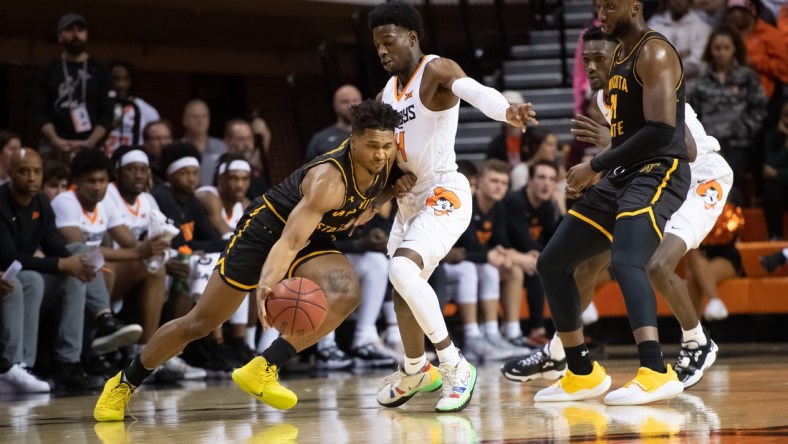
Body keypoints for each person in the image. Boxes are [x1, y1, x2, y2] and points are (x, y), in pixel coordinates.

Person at [93, 99, 407, 421]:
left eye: (385, 145)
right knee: (201, 322)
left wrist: (385, 195)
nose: (380, 154)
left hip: (314, 237)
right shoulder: (328, 180)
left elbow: (392, 180)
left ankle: (262, 368)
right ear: (353, 140)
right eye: (371, 146)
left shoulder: (388, 156)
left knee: (346, 292)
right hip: (266, 232)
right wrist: (268, 282)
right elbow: (289, 241)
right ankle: (124, 382)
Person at [502, 24, 732, 391]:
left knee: (655, 265)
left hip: (698, 175)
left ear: (621, 57)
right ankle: (562, 350)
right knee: (585, 267)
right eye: (586, 60)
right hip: (645, 174)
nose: (590, 67)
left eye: (599, 59)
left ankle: (697, 341)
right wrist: (609, 158)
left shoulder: (652, 82)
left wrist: (607, 153)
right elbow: (633, 147)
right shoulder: (602, 99)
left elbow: (683, 150)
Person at [368, 1, 536, 413]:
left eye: (388, 41)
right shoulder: (384, 94)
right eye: (376, 46)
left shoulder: (436, 69)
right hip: (409, 200)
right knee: (403, 290)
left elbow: (473, 90)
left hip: (444, 191)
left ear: (412, 37)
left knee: (402, 270)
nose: (383, 51)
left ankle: (455, 364)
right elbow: (384, 153)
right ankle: (414, 370)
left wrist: (506, 112)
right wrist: (390, 180)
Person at [531, 1, 691, 406]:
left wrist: (594, 165)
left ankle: (655, 370)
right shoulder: (619, 54)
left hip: (658, 171)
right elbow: (630, 133)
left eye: (610, 5)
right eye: (598, 5)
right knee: (552, 262)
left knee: (625, 262)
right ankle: (581, 372)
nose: (601, 11)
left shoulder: (654, 52)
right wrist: (604, 162)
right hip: (624, 174)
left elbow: (661, 132)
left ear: (634, 6)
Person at [0, 149, 98, 390]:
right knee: (28, 280)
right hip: (7, 274)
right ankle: (15, 365)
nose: (32, 178)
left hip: (20, 274)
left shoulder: (42, 202)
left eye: (37, 171)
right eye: (24, 172)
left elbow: (53, 243)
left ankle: (68, 363)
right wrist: (61, 264)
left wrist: (74, 264)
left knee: (72, 275)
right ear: (10, 173)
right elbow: (8, 257)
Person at [35, 13, 113, 160]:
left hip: (91, 143)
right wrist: (55, 140)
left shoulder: (100, 69)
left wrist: (90, 142)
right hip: (54, 144)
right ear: (60, 36)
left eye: (80, 30)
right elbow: (40, 111)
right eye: (69, 30)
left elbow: (107, 113)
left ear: (86, 34)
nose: (76, 34)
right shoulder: (49, 69)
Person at [103, 60, 161, 156]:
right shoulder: (100, 106)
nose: (120, 84)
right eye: (115, 78)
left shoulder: (146, 110)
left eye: (125, 79)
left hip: (134, 162)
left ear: (132, 81)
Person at [306, 85, 363, 160]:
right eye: (345, 102)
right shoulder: (320, 139)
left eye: (355, 100)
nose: (351, 105)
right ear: (335, 107)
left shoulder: (374, 133)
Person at [180, 100, 227, 187]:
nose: (200, 121)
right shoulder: (178, 148)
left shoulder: (221, 147)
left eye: (204, 116)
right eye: (195, 117)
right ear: (184, 120)